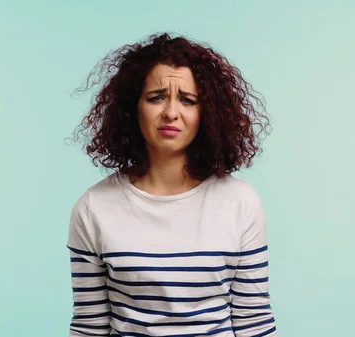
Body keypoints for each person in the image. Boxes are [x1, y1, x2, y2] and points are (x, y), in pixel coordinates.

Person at [66, 32, 278, 337]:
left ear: (206, 114)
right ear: (132, 106)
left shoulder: (240, 203)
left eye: (188, 100)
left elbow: (254, 322)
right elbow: (89, 328)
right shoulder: (92, 209)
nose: (171, 113)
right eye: (156, 97)